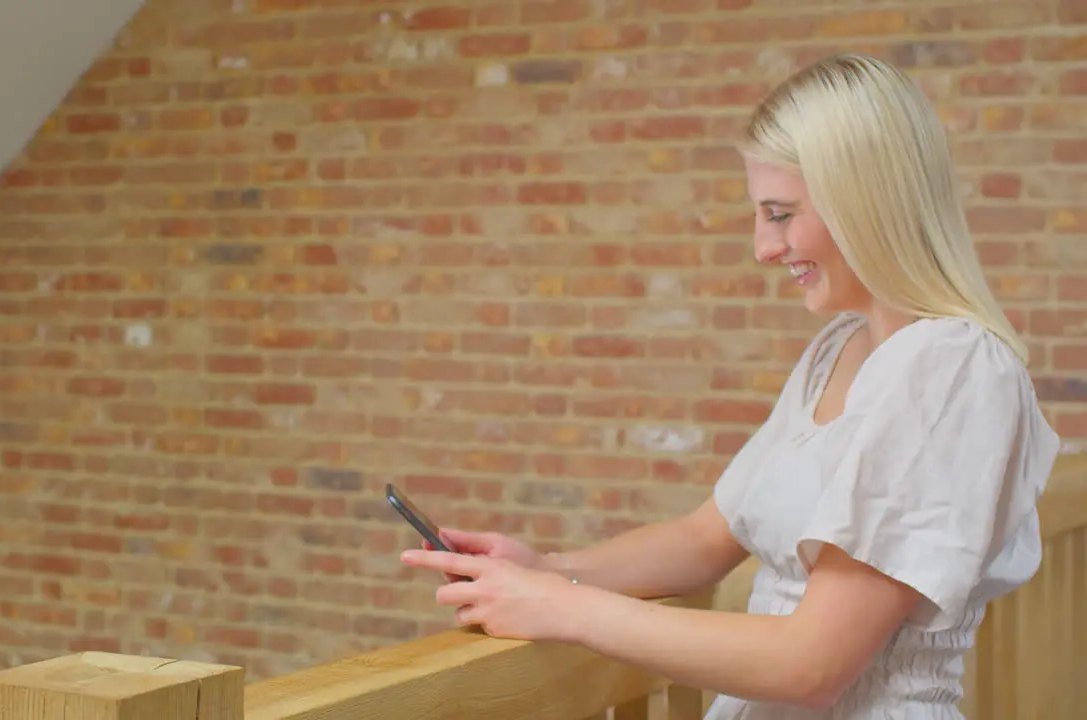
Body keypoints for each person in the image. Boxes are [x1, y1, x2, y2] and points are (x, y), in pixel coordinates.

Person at [399, 52, 1062, 718]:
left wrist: (565, 608)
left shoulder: (955, 372)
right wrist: (549, 566)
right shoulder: (838, 350)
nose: (764, 248)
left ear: (866, 201)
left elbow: (811, 664)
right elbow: (703, 540)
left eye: (779, 214)